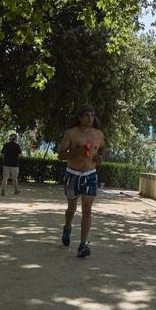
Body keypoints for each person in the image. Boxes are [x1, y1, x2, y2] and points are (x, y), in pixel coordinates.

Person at [57, 106, 105, 258]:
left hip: (90, 175)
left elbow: (101, 150)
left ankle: (83, 245)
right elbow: (60, 155)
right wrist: (75, 152)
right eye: (87, 115)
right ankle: (67, 227)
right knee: (71, 209)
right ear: (80, 117)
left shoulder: (98, 134)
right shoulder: (71, 133)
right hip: (72, 175)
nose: (90, 119)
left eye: (92, 115)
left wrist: (99, 158)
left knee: (87, 210)